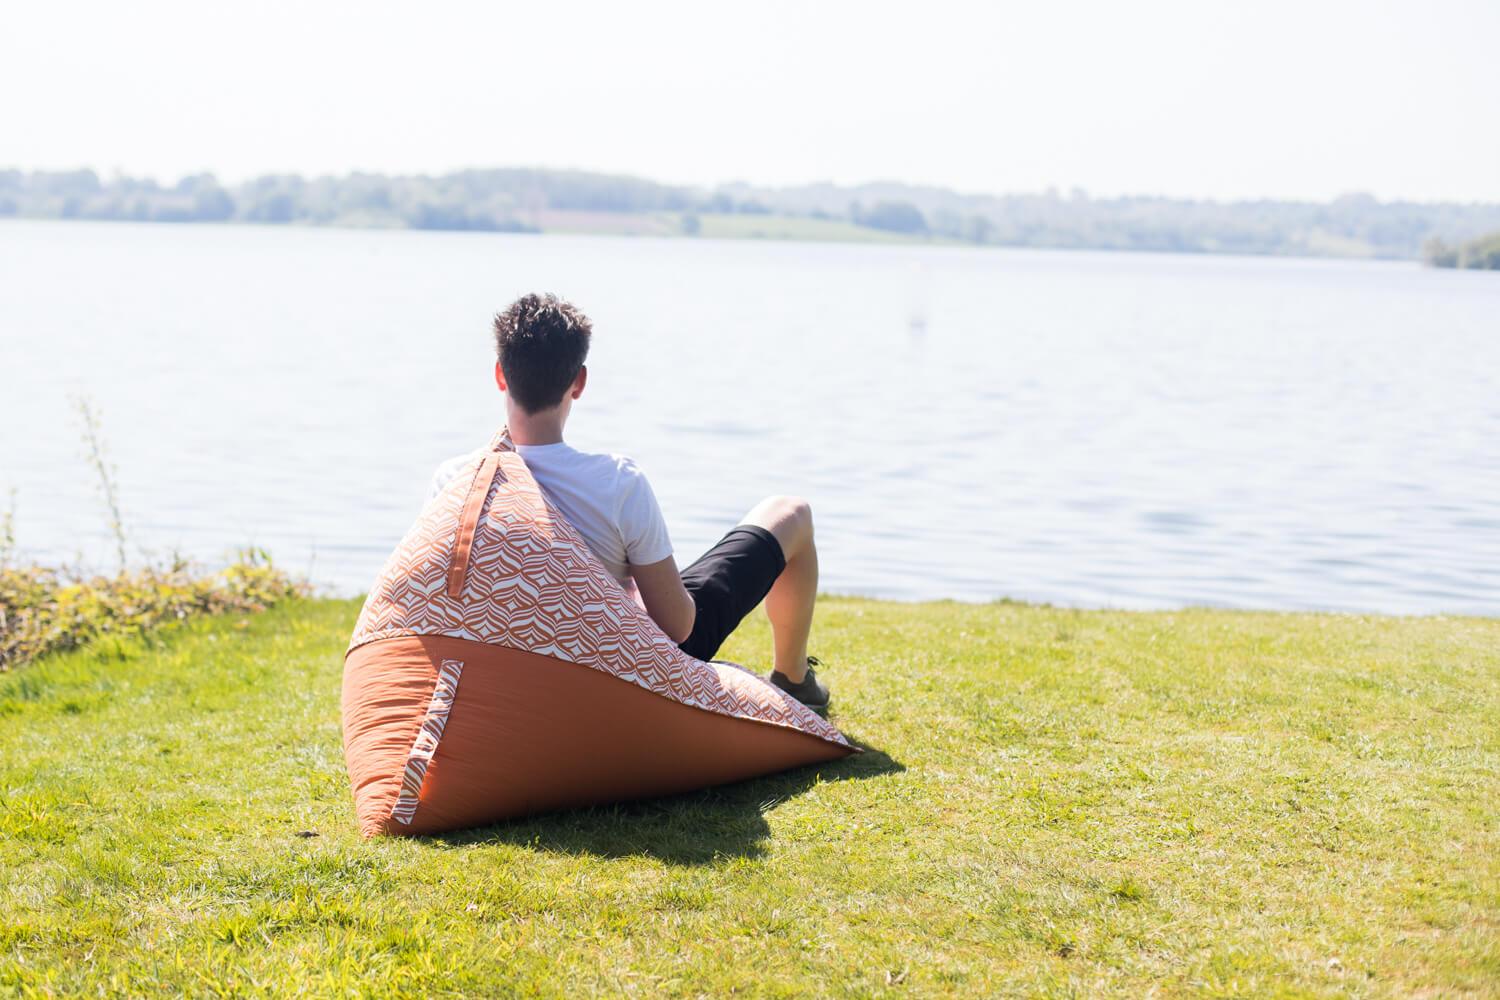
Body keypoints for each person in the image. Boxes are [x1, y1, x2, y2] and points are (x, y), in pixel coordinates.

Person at [429, 293, 831, 712]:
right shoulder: (618, 482)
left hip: (503, 662)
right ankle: (793, 677)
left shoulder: (454, 480)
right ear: (579, 382)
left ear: (500, 374)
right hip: (615, 662)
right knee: (792, 513)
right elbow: (676, 628)